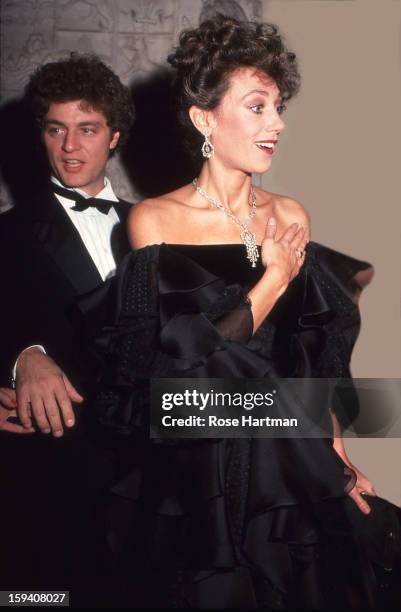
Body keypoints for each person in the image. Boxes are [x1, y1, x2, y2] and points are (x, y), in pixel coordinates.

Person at [94, 15, 400, 609]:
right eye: (258, 107)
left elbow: (312, 362)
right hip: (201, 465)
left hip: (289, 461)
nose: (278, 123)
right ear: (204, 119)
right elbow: (183, 372)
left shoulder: (291, 216)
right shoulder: (153, 221)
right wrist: (274, 279)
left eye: (278, 106)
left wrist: (337, 456)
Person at [0, 53, 134, 601]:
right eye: (57, 130)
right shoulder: (8, 233)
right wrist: (20, 355)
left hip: (145, 483)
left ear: (114, 136)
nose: (71, 147)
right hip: (49, 482)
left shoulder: (157, 228)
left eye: (87, 129)